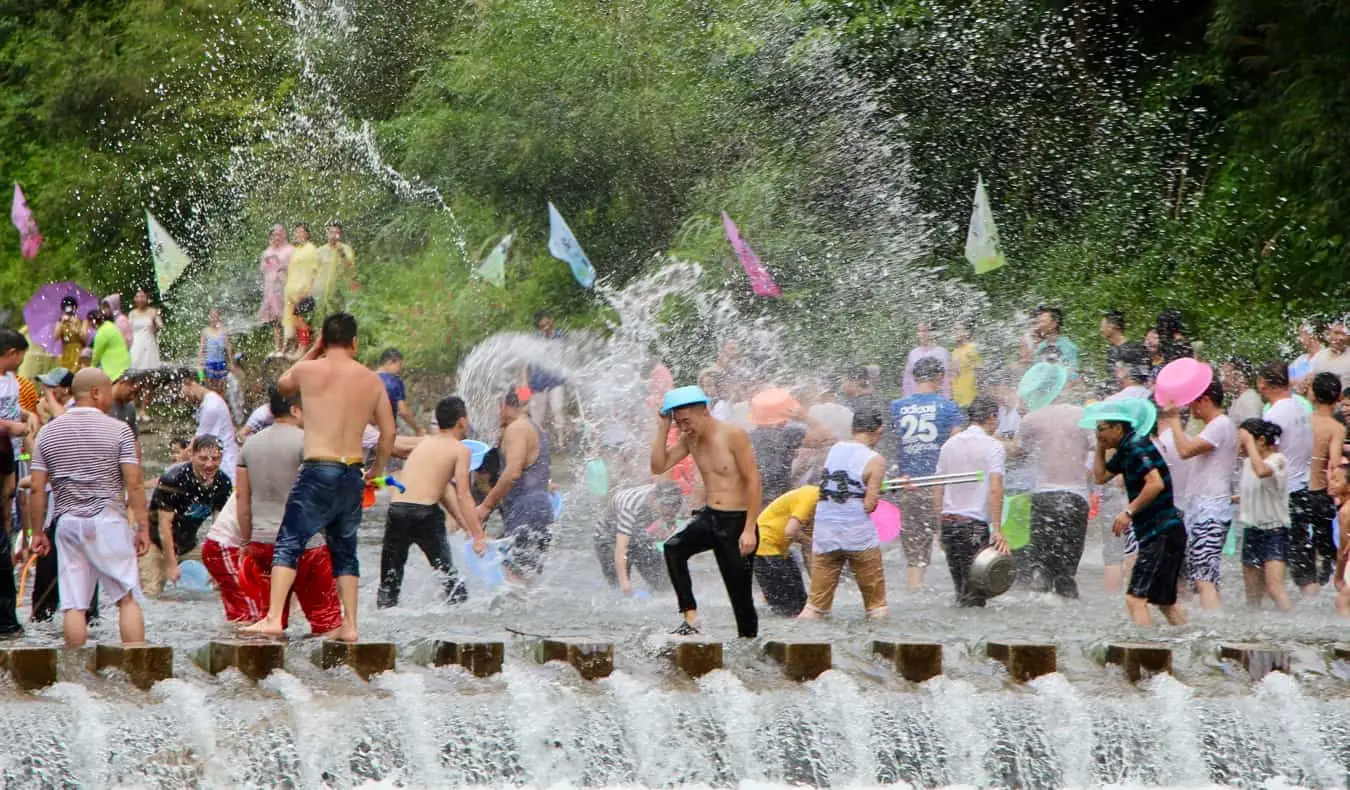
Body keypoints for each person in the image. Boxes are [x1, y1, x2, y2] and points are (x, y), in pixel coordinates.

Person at [243, 313, 395, 642]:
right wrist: (377, 472)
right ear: (354, 343)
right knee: (345, 550)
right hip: (352, 471)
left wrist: (313, 350)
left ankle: (272, 618)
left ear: (324, 341)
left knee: (288, 542)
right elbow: (389, 432)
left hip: (318, 467)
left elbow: (283, 386)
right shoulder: (372, 380)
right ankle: (351, 625)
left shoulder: (309, 369)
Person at [27, 368, 150, 647]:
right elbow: (135, 484)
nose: (110, 397)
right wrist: (142, 527)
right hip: (109, 521)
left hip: (68, 522)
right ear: (96, 393)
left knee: (74, 605)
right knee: (126, 598)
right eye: (107, 391)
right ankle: (137, 669)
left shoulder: (48, 432)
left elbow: (36, 488)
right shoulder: (119, 430)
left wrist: (37, 532)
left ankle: (75, 675)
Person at [650, 386, 761, 637]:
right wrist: (663, 427)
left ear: (703, 411)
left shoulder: (733, 435)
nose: (683, 427)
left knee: (740, 598)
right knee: (673, 548)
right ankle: (690, 619)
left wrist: (749, 529)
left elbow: (753, 480)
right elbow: (658, 466)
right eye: (678, 423)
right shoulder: (690, 439)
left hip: (737, 521)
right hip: (711, 517)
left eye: (686, 421)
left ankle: (749, 646)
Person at [236, 386, 342, 635]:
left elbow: (242, 498)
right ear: (296, 409)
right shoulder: (309, 443)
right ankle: (330, 673)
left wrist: (245, 540)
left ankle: (269, 670)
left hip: (263, 542)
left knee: (271, 621)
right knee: (327, 621)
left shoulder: (249, 445)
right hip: (307, 546)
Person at [378, 396, 487, 608]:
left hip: (397, 511)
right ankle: (460, 617)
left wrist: (466, 527)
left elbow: (444, 493)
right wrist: (479, 536)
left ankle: (383, 618)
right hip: (425, 515)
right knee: (448, 576)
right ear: (462, 422)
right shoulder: (461, 450)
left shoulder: (425, 442)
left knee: (390, 580)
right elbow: (463, 495)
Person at [1092, 400, 1188, 626]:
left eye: (1102, 428)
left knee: (1135, 599)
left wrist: (1128, 511)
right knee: (1165, 602)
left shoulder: (1135, 446)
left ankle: (1146, 651)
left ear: (1118, 428)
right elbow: (1100, 477)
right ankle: (1191, 643)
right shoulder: (1126, 449)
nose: (1098, 433)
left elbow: (1155, 484)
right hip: (1166, 531)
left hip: (1161, 532)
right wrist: (1100, 446)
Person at [799, 407, 888, 619]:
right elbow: (869, 505)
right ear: (879, 431)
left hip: (826, 532)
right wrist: (876, 492)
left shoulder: (835, 449)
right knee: (876, 606)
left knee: (815, 606)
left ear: (852, 429)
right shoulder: (875, 459)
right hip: (858, 535)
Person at [1160, 378, 1237, 610]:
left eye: (1193, 402)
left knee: (1204, 578)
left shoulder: (1220, 424)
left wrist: (1173, 420)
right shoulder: (1219, 425)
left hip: (1210, 511)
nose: (1190, 408)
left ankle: (1213, 630)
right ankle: (1216, 624)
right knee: (1206, 577)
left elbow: (1185, 451)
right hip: (1205, 510)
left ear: (1204, 400)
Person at [1015, 373, 1093, 598]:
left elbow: (1019, 453)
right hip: (1075, 496)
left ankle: (1039, 612)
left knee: (1040, 565)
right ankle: (1069, 616)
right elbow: (1099, 448)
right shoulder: (1083, 415)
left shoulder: (1031, 419)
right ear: (1062, 388)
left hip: (1043, 496)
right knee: (1067, 571)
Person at [888, 357, 964, 591]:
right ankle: (962, 592)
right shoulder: (948, 407)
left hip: (908, 484)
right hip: (939, 487)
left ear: (914, 377)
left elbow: (890, 445)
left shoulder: (896, 407)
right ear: (940, 378)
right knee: (951, 541)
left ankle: (915, 586)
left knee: (915, 548)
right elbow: (956, 446)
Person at [934, 395, 1009, 607]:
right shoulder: (993, 446)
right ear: (992, 417)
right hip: (973, 526)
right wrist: (997, 529)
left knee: (960, 590)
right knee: (976, 593)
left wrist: (939, 527)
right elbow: (996, 488)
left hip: (949, 524)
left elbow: (938, 487)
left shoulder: (949, 445)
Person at [475, 390, 554, 579]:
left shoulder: (517, 428)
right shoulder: (536, 428)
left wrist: (486, 506)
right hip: (541, 509)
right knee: (527, 579)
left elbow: (512, 472)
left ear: (503, 405)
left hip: (525, 509)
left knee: (513, 579)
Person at [144, 435, 232, 596]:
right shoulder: (174, 478)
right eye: (203, 458)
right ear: (191, 455)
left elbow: (220, 528)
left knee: (224, 582)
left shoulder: (223, 483)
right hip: (156, 545)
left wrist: (218, 566)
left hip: (189, 546)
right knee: (153, 593)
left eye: (215, 458)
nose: (209, 464)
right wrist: (171, 564)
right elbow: (164, 525)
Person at [1257, 362, 1316, 595]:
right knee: (1302, 555)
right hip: (1302, 486)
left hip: (1282, 492)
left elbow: (1267, 453)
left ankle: (1280, 607)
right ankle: (1311, 604)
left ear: (1264, 383)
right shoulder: (1301, 408)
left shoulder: (1275, 413)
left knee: (1274, 555)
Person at [1236, 418, 1293, 611]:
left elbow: (1261, 472)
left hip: (1275, 531)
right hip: (1252, 529)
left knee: (1274, 588)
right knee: (1252, 595)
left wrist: (1249, 443)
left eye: (1243, 441)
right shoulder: (1247, 463)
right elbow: (1253, 489)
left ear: (1260, 441)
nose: (1241, 446)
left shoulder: (1278, 460)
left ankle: (1291, 624)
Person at [594, 481, 684, 596]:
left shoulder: (671, 498)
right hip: (608, 538)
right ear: (652, 500)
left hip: (638, 536)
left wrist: (665, 530)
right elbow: (621, 548)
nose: (671, 509)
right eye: (667, 506)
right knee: (619, 589)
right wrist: (624, 582)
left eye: (675, 505)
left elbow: (671, 519)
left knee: (663, 584)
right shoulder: (630, 507)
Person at [1298, 371, 1344, 595]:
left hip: (1297, 492)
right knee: (1326, 548)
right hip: (1320, 494)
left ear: (1313, 395)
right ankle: (1327, 586)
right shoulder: (1336, 428)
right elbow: (1334, 463)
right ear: (1338, 399)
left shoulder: (1303, 420)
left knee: (1299, 544)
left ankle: (1305, 588)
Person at [754, 484, 817, 616]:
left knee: (800, 602)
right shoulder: (811, 496)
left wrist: (816, 585)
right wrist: (808, 541)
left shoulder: (817, 508)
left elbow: (808, 551)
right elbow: (790, 531)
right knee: (786, 607)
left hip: (778, 550)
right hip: (764, 546)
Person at [748, 388, 814, 506]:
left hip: (754, 497)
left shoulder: (748, 437)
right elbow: (828, 439)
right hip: (782, 496)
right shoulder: (792, 433)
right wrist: (806, 419)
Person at [181, 371, 240, 481]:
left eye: (184, 393)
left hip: (225, 466)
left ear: (189, 383)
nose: (185, 399)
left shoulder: (211, 406)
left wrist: (178, 461)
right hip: (224, 462)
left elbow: (195, 444)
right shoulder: (211, 400)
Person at [523, 310, 569, 447]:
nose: (546, 328)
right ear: (538, 328)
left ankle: (561, 440)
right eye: (542, 326)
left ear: (551, 320)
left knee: (558, 408)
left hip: (556, 381)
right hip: (538, 383)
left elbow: (568, 355)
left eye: (548, 324)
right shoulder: (533, 340)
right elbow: (524, 364)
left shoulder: (561, 336)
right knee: (537, 417)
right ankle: (536, 443)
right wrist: (524, 384)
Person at [283, 223, 319, 356]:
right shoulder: (296, 250)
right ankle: (303, 343)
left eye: (301, 231)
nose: (298, 234)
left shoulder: (311, 248)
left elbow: (315, 270)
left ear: (307, 234)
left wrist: (309, 289)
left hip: (305, 291)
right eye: (296, 232)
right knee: (292, 320)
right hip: (292, 293)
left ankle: (304, 346)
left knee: (299, 318)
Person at [258, 225, 293, 356]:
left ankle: (287, 347)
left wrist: (283, 267)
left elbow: (293, 266)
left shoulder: (289, 250)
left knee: (287, 317)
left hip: (284, 286)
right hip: (271, 289)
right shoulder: (267, 252)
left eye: (279, 235)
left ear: (284, 235)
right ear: (271, 237)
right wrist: (266, 262)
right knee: (274, 320)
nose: (277, 238)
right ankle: (277, 347)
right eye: (274, 235)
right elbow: (263, 270)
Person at [314, 221, 356, 318]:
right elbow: (314, 272)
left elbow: (349, 268)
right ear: (327, 234)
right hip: (322, 292)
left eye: (337, 233)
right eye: (331, 232)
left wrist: (342, 253)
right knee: (323, 319)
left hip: (340, 291)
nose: (334, 235)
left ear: (340, 235)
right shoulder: (319, 251)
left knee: (339, 318)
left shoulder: (346, 249)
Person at [376, 348, 422, 434]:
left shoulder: (367, 378)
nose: (399, 369)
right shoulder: (395, 382)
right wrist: (418, 430)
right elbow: (403, 412)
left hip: (366, 430)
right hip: (386, 431)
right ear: (389, 362)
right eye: (399, 365)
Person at [902, 320, 951, 398]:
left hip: (935, 399)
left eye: (925, 331)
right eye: (919, 331)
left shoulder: (941, 352)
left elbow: (946, 379)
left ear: (933, 332)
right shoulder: (913, 353)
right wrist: (906, 398)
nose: (921, 334)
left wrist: (946, 398)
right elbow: (907, 380)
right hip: (914, 400)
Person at [1032, 306, 1080, 373]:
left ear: (1054, 323)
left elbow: (1072, 375)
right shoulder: (1041, 347)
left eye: (1042, 322)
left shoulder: (1067, 347)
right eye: (1037, 322)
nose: (1038, 326)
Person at [1329, 465, 1350, 617]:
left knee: (1342, 601)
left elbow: (1343, 551)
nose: (1331, 483)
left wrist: (1338, 576)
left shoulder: (1345, 512)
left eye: (1336, 480)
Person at [127, 288, 164, 372]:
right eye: (138, 297)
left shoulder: (152, 311)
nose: (140, 299)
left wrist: (157, 324)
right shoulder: (132, 313)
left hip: (148, 344)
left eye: (142, 296)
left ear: (147, 298)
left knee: (149, 368)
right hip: (135, 345)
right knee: (134, 367)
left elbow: (161, 325)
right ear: (135, 299)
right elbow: (128, 330)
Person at [90, 309, 131, 382]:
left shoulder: (101, 333)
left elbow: (96, 354)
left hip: (113, 367)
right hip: (125, 361)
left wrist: (91, 367)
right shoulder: (110, 325)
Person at [198, 308, 232, 394]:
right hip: (210, 363)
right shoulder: (205, 331)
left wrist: (231, 361)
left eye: (216, 316)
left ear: (219, 318)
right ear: (209, 318)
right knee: (212, 388)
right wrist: (200, 360)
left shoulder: (224, 331)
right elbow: (201, 347)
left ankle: (222, 403)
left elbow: (228, 346)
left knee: (222, 387)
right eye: (212, 316)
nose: (214, 318)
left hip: (221, 362)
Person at [1224, 356, 1264, 425]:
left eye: (1226, 375)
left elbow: (1252, 433)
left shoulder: (1249, 400)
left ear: (1238, 375)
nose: (1223, 380)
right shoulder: (1240, 398)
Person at [950, 320, 980, 407]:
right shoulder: (955, 351)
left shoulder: (972, 348)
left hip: (971, 400)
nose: (954, 332)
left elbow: (980, 373)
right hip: (957, 401)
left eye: (958, 329)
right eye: (954, 329)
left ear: (967, 332)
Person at [1313, 317, 1350, 384]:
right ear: (1329, 333)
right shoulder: (1319, 355)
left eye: (1344, 334)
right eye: (1336, 333)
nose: (1340, 338)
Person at [1291, 320, 1323, 392]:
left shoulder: (1324, 356)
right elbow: (1285, 377)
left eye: (1301, 334)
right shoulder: (1301, 359)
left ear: (1312, 335)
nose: (1299, 338)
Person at [56, 296, 84, 371]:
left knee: (76, 371)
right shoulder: (61, 320)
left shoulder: (79, 320)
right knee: (65, 372)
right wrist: (61, 322)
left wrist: (75, 328)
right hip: (66, 350)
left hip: (77, 350)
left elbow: (84, 337)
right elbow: (56, 336)